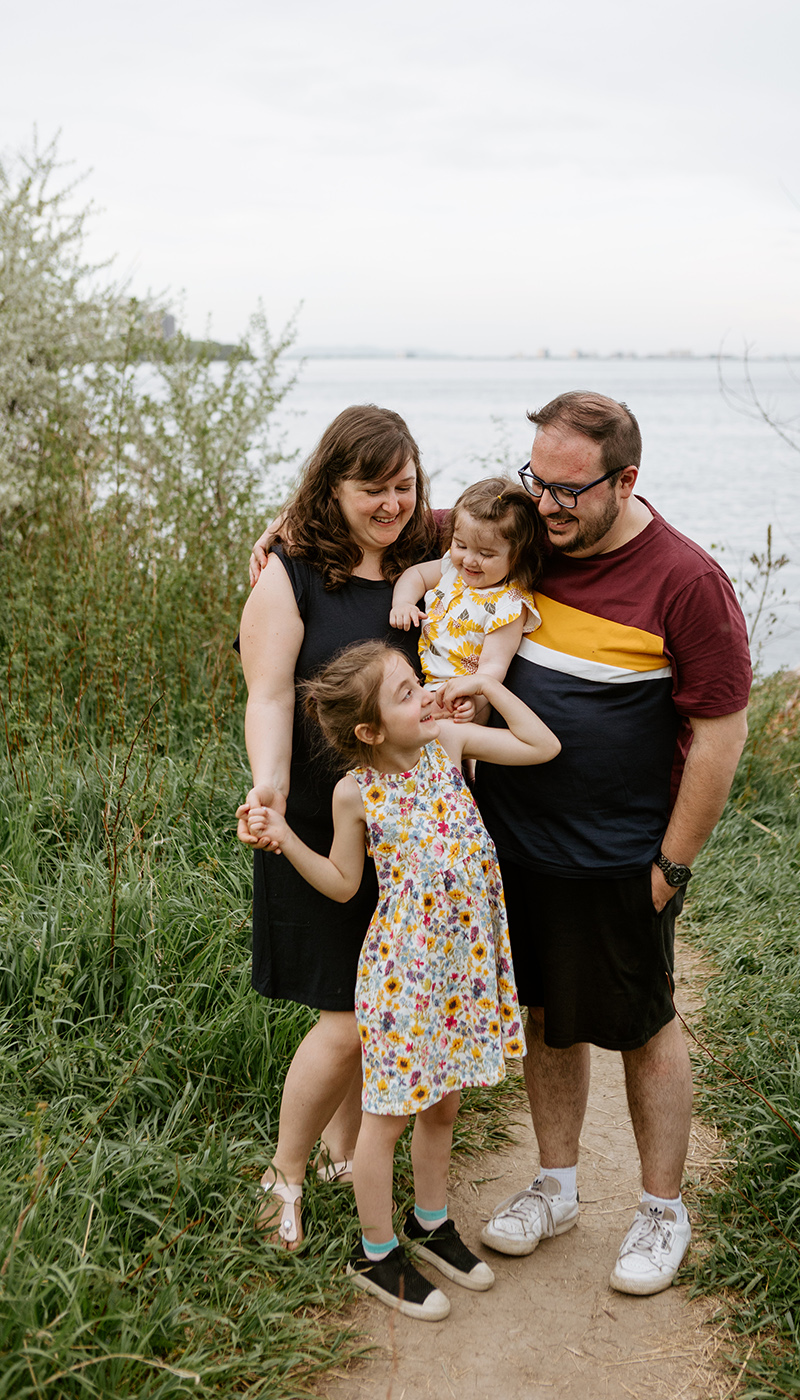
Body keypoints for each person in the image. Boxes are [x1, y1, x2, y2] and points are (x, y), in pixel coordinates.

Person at [470, 391, 752, 1296]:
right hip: (515, 845)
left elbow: (718, 738)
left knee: (641, 1026)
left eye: (566, 492)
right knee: (547, 1019)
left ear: (625, 480)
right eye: (534, 483)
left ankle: (662, 1210)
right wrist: (291, 525)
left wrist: (670, 867)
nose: (543, 507)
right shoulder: (527, 538)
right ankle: (555, 1190)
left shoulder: (686, 581)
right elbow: (413, 513)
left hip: (621, 857)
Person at [244, 641, 560, 1319]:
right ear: (369, 731)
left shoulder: (446, 742)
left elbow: (540, 746)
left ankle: (429, 1220)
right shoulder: (354, 793)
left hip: (463, 968)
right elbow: (342, 883)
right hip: (403, 974)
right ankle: (376, 1251)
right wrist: (284, 839)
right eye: (405, 693)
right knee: (385, 1119)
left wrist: (483, 685)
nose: (424, 696)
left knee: (443, 1105)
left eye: (419, 683)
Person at [236, 404, 436, 1250]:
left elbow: (505, 518)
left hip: (406, 829)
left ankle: (342, 1154)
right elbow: (270, 692)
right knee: (347, 1015)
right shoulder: (291, 569)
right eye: (370, 489)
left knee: (375, 1008)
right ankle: (282, 1173)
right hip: (319, 819)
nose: (391, 503)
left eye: (403, 485)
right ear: (332, 486)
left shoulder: (430, 553)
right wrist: (270, 786)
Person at [389, 477, 544, 715]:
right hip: (426, 685)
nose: (469, 560)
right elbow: (416, 575)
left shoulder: (509, 604)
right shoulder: (452, 567)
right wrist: (403, 603)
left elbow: (493, 667)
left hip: (463, 697)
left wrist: (474, 700)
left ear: (517, 556)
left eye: (486, 554)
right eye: (461, 545)